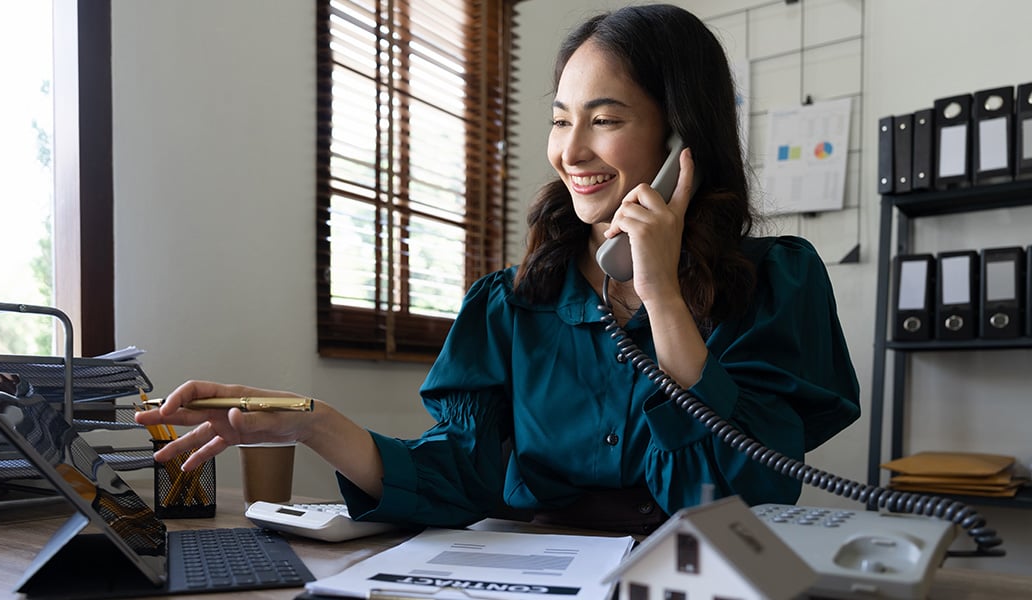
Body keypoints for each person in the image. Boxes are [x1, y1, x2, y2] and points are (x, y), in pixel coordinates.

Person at [136, 3, 860, 534]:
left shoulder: (776, 283)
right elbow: (462, 475)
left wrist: (662, 293)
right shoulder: (510, 306)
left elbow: (742, 497)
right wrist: (312, 425)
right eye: (559, 118)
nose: (570, 150)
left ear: (681, 138)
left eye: (604, 120)